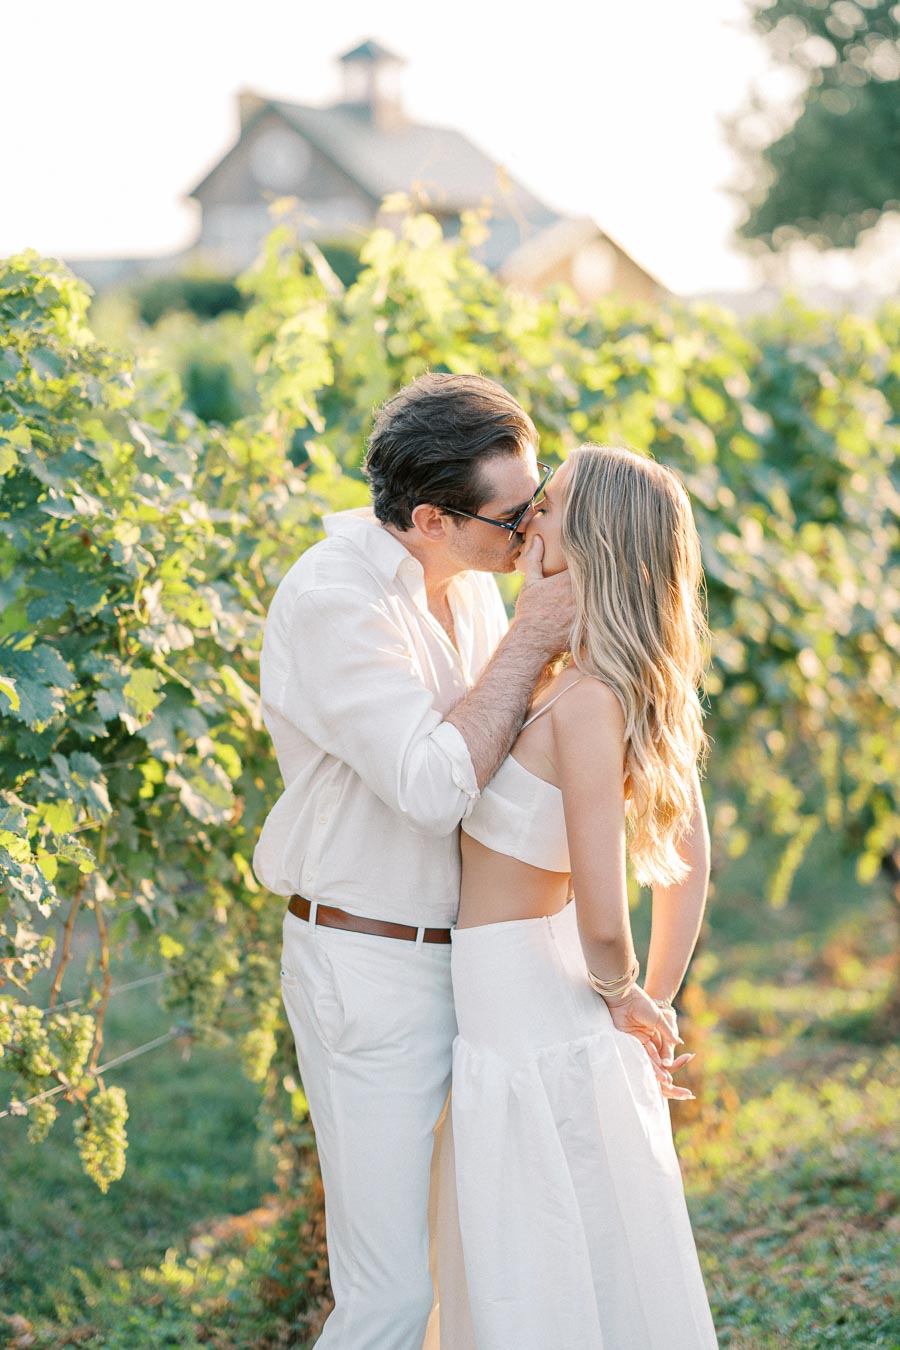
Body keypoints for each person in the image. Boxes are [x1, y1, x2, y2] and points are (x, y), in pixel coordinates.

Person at [252, 372, 575, 1350]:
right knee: (389, 1295)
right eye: (515, 519)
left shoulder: (466, 584)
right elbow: (436, 785)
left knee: (474, 1266)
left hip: (472, 960)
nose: (530, 536)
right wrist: (531, 643)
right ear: (432, 518)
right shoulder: (334, 599)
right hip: (372, 966)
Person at [439, 444, 719, 1348]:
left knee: (548, 1253)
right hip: (518, 998)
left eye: (550, 508)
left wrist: (629, 993)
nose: (532, 522)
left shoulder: (591, 699)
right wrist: (649, 1000)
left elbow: (608, 912)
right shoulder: (581, 678)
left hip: (534, 1006)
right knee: (568, 1242)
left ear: (592, 538)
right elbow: (695, 853)